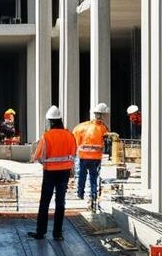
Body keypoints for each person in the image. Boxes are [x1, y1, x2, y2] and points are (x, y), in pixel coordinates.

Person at [28, 106, 76, 241]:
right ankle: (58, 233)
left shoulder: (46, 136)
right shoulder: (69, 135)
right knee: (60, 202)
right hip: (64, 173)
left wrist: (45, 162)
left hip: (49, 172)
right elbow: (73, 154)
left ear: (50, 121)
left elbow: (38, 155)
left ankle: (41, 232)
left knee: (45, 202)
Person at [72, 103, 109, 211]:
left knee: (82, 177)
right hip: (96, 158)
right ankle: (93, 195)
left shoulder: (81, 126)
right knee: (93, 178)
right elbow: (107, 141)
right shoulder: (102, 128)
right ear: (101, 115)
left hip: (83, 156)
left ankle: (80, 193)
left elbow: (75, 139)